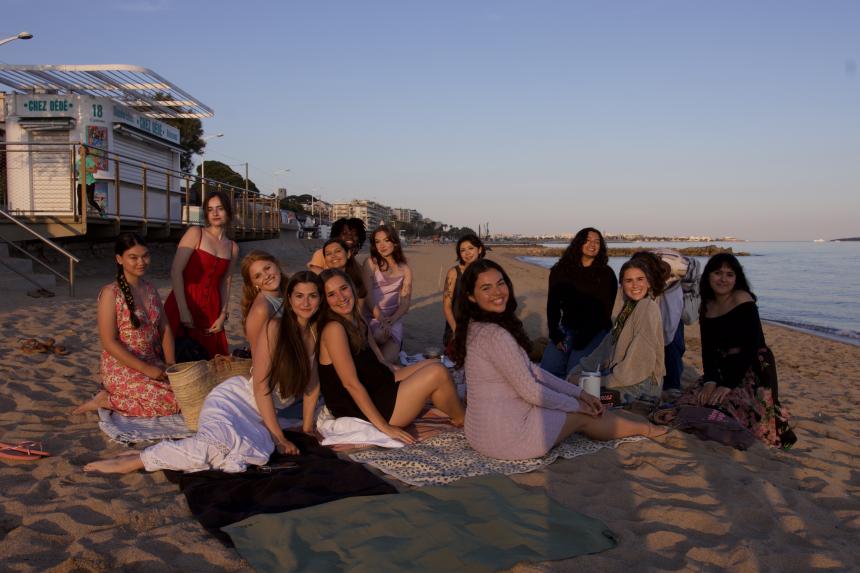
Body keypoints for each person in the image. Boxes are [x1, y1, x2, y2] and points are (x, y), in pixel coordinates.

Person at [83, 272, 325, 474]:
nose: (305, 303)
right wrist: (278, 437)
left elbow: (312, 385)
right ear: (289, 299)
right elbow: (261, 386)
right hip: (237, 401)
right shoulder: (275, 327)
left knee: (247, 454)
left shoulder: (315, 333)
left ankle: (145, 455)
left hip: (265, 414)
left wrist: (305, 428)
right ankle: (137, 461)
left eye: (312, 296)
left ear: (320, 299)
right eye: (299, 296)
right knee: (215, 448)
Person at [450, 259, 666, 461]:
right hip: (507, 439)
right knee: (587, 416)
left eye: (500, 283)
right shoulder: (496, 335)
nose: (498, 292)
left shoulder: (475, 327)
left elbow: (533, 372)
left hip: (480, 433)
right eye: (486, 288)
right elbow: (532, 391)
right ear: (470, 296)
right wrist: (577, 405)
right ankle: (646, 430)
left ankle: (631, 420)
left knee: (577, 402)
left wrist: (578, 393)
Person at [317, 269, 464, 444]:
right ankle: (464, 420)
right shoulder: (334, 329)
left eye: (344, 288)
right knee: (437, 372)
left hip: (377, 386)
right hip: (365, 408)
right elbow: (350, 384)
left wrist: (400, 371)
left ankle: (456, 413)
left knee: (432, 364)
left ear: (352, 288)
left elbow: (378, 359)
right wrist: (384, 427)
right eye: (331, 294)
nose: (341, 297)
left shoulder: (357, 318)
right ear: (324, 301)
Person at [667, 254, 795, 448]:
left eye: (729, 274)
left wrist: (728, 384)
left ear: (737, 278)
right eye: (717, 273)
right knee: (693, 400)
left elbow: (751, 347)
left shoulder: (743, 300)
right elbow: (708, 349)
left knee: (727, 407)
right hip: (722, 368)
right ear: (708, 276)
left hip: (752, 367)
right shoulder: (707, 305)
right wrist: (710, 381)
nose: (723, 279)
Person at [73, 233, 178, 416]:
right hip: (122, 366)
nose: (141, 262)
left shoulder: (151, 289)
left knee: (185, 393)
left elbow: (165, 328)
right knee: (171, 403)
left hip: (153, 360)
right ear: (119, 259)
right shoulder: (110, 293)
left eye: (145, 256)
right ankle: (106, 400)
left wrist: (170, 363)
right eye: (133, 257)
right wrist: (146, 369)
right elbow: (109, 342)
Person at [573, 256, 666, 404]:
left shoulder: (647, 307)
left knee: (582, 401)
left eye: (640, 279)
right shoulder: (628, 309)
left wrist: (601, 381)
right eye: (629, 281)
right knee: (573, 389)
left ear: (648, 283)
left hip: (640, 388)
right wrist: (580, 369)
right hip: (621, 378)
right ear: (621, 284)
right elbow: (605, 347)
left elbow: (638, 367)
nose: (635, 285)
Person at [164, 190, 240, 359]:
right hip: (184, 299)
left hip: (211, 307)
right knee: (177, 356)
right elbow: (176, 272)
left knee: (210, 360)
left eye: (219, 208)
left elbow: (225, 282)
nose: (215, 213)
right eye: (210, 209)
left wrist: (222, 315)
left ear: (228, 211)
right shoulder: (195, 233)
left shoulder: (232, 247)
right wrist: (183, 310)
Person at [540, 228, 617, 378]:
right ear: (578, 243)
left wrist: (582, 340)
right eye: (587, 240)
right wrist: (555, 334)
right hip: (568, 327)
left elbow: (605, 312)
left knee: (575, 373)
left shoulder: (606, 274)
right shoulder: (561, 270)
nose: (592, 245)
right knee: (548, 372)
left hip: (595, 330)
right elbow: (553, 305)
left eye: (597, 242)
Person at [362, 225, 412, 364]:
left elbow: (405, 302)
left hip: (393, 319)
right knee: (379, 335)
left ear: (395, 242)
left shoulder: (405, 269)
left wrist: (392, 319)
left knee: (387, 361)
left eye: (386, 240)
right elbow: (367, 296)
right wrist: (381, 318)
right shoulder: (371, 263)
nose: (382, 245)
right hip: (372, 317)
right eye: (377, 242)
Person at [442, 233, 486, 350]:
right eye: (463, 250)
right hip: (456, 327)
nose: (467, 253)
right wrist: (457, 331)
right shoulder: (454, 273)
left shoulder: (487, 273)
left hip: (482, 328)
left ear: (479, 249)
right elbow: (447, 306)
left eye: (471, 248)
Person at [240, 250, 288, 356]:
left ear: (276, 264)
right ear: (253, 284)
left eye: (267, 268)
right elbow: (258, 353)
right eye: (258, 276)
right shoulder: (261, 309)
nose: (266, 276)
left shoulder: (288, 293)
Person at [320, 237, 368, 303]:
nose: (333, 256)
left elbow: (359, 309)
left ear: (348, 254)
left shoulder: (359, 279)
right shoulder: (320, 282)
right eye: (328, 254)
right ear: (325, 259)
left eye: (337, 251)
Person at [76, 146, 105, 216]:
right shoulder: (78, 162)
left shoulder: (89, 160)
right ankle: (80, 215)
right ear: (79, 152)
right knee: (80, 199)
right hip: (81, 182)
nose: (81, 152)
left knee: (90, 201)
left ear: (86, 152)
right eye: (80, 150)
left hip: (89, 182)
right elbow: (78, 172)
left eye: (83, 150)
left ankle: (100, 210)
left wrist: (86, 169)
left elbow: (95, 170)